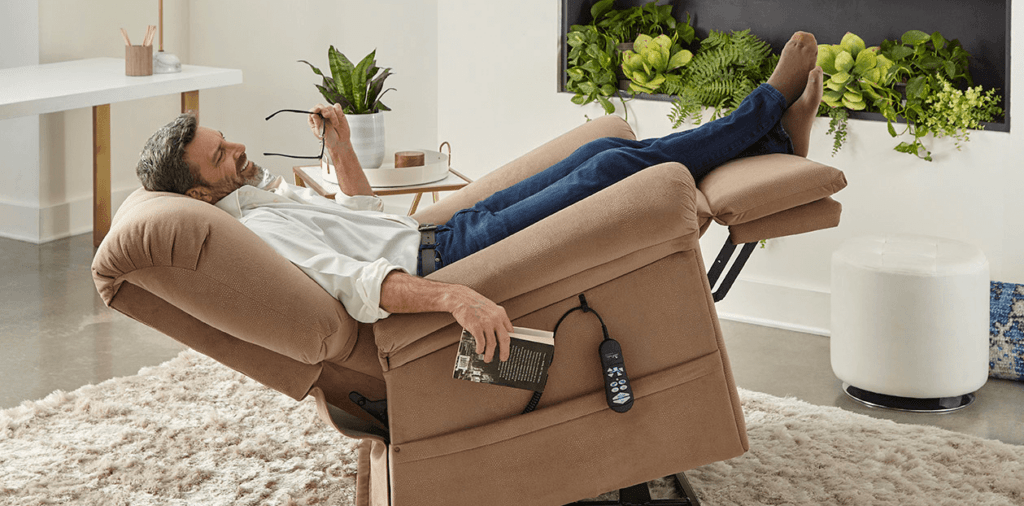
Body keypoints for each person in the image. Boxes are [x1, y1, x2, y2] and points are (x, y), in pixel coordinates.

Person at [135, 32, 823, 366]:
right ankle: (763, 112)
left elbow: (365, 221)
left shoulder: (255, 199)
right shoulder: (255, 234)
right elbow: (358, 284)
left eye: (227, 141)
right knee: (612, 167)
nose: (238, 153)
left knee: (597, 153)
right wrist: (456, 298)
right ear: (199, 190)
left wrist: (341, 147)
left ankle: (770, 144)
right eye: (222, 157)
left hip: (444, 232)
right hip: (447, 261)